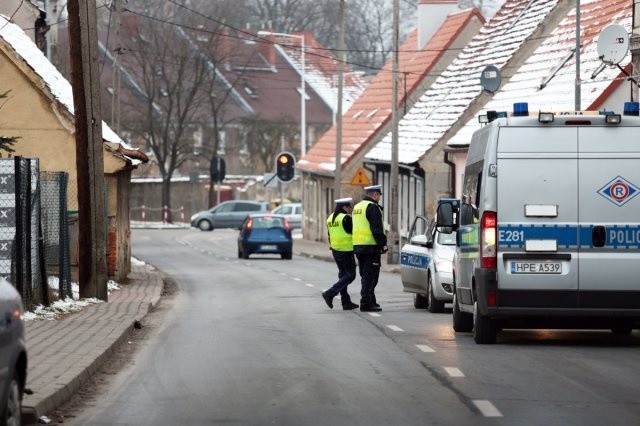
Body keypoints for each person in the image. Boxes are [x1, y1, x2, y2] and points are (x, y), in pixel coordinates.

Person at [352, 185, 387, 312]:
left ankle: (371, 300)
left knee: (365, 274)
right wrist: (383, 243)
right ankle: (365, 302)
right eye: (379, 195)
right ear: (375, 195)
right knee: (371, 276)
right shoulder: (372, 207)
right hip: (370, 247)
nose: (379, 198)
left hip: (358, 246)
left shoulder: (357, 207)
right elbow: (376, 229)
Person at [322, 198, 359, 310]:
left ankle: (346, 302)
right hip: (346, 250)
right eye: (348, 207)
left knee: (343, 275)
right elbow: (354, 232)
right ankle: (330, 293)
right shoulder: (346, 218)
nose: (349, 209)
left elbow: (329, 235)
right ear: (344, 207)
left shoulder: (330, 218)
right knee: (350, 275)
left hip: (335, 250)